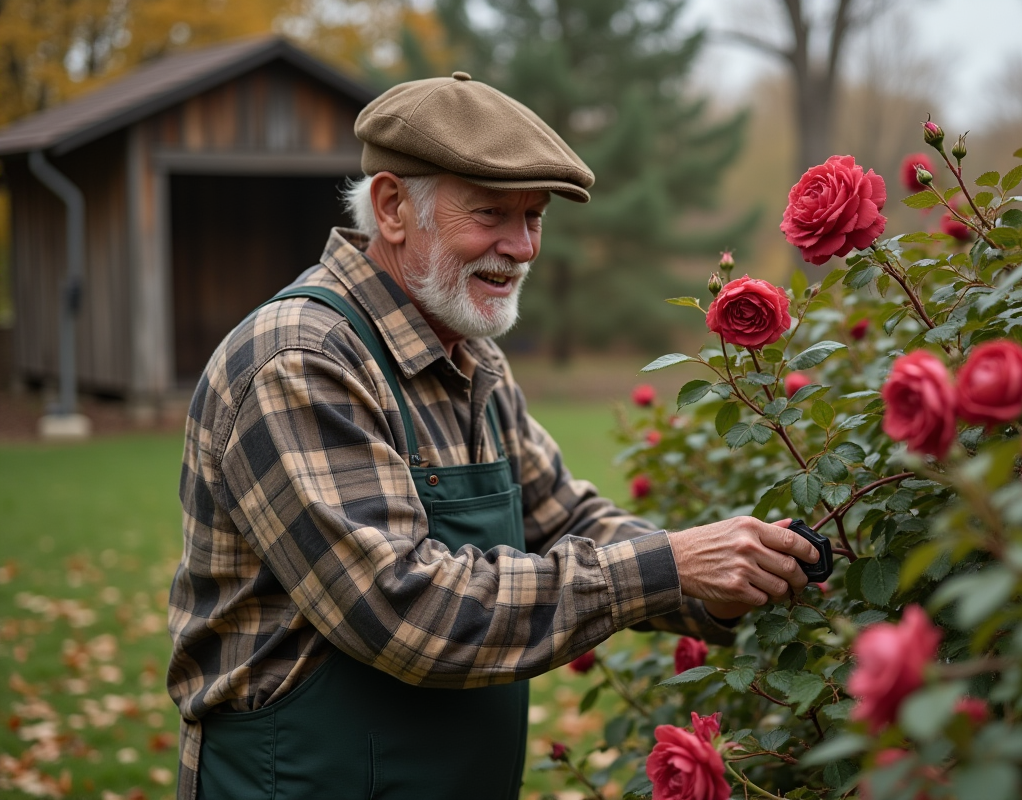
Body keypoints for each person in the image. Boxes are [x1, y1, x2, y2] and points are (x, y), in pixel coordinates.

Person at [166, 71, 818, 800]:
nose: (523, 246)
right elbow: (404, 610)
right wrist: (668, 566)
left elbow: (566, 518)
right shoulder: (300, 360)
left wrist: (726, 583)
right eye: (491, 214)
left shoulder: (470, 356)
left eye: (534, 216)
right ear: (391, 207)